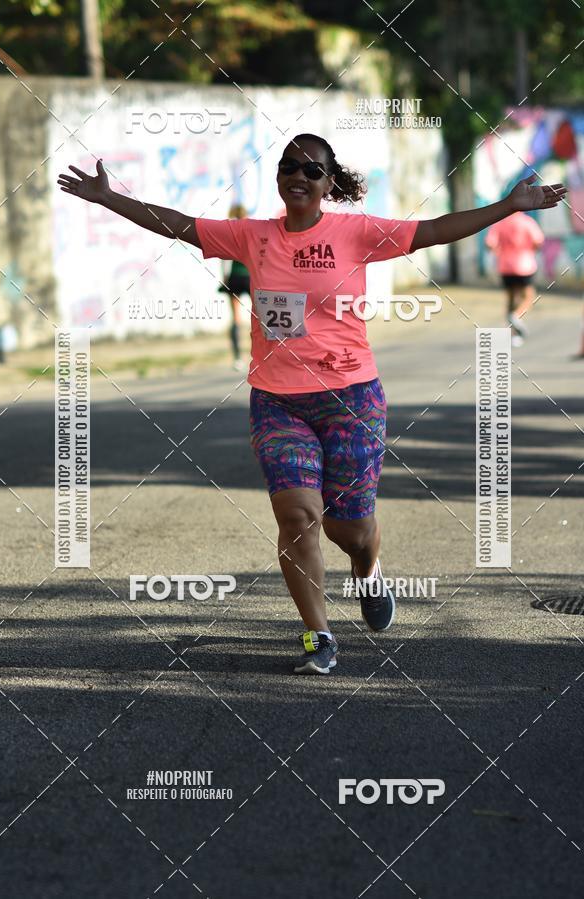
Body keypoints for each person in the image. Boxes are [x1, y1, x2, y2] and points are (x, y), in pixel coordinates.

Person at [58, 135, 566, 675]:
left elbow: (435, 231)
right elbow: (179, 225)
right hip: (278, 402)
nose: (298, 175)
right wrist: (110, 198)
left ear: (328, 182)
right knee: (298, 517)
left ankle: (368, 571)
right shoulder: (252, 238)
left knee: (348, 530)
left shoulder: (357, 232)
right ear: (279, 178)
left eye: (312, 169)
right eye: (288, 166)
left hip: (352, 400)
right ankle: (317, 635)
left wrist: (509, 206)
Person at [485, 209, 545, 347]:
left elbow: (490, 244)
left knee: (511, 299)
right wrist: (530, 250)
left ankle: (514, 335)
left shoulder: (499, 223)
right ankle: (517, 316)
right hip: (524, 265)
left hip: (505, 266)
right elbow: (538, 241)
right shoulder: (527, 222)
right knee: (529, 297)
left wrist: (499, 252)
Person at [218, 203, 251, 370]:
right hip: (251, 277)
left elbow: (224, 259)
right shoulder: (251, 231)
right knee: (259, 318)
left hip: (234, 277)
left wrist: (224, 277)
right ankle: (260, 356)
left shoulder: (230, 232)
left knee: (236, 319)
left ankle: (238, 358)